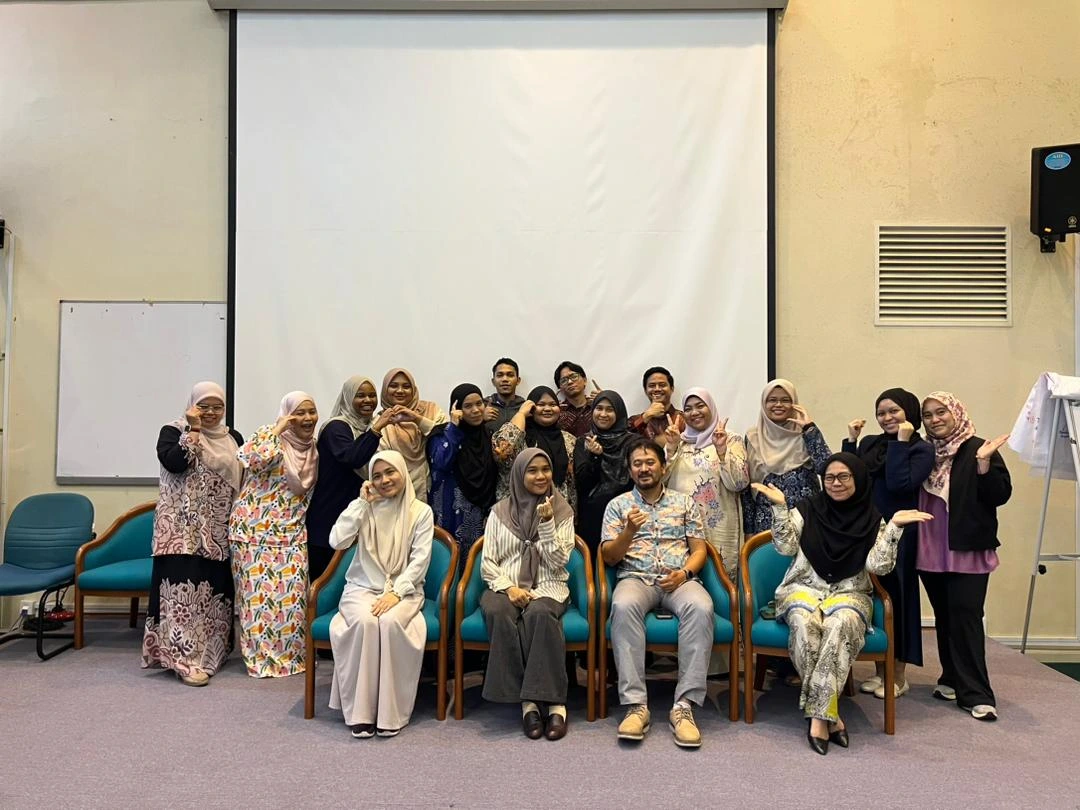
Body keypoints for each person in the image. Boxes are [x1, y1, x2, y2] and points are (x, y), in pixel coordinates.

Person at [751, 453, 932, 755]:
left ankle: (818, 717)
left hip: (850, 593)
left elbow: (878, 567)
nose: (836, 483)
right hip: (803, 589)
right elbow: (785, 547)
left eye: (844, 476)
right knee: (804, 624)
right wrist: (780, 507)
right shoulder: (807, 510)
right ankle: (829, 716)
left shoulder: (873, 518)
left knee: (840, 625)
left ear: (857, 478)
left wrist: (894, 528)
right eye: (830, 477)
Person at [602, 438, 713, 748]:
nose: (644, 468)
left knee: (702, 607)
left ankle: (684, 707)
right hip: (635, 578)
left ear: (663, 467)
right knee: (623, 606)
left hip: (678, 579)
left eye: (650, 462)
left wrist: (685, 574)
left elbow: (699, 549)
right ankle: (636, 706)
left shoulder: (684, 502)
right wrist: (628, 531)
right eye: (637, 464)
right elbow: (609, 557)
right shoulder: (618, 506)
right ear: (630, 470)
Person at [142, 382, 244, 687]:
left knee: (214, 592)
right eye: (203, 406)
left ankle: (212, 653)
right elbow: (175, 463)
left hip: (218, 529)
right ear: (191, 406)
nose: (211, 412)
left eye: (217, 407)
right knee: (182, 597)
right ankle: (183, 660)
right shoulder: (173, 431)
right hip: (181, 531)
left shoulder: (234, 438)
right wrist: (194, 429)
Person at [328, 451, 434, 738]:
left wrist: (396, 593)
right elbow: (337, 540)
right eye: (377, 476)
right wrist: (361, 504)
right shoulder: (364, 507)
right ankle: (361, 714)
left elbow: (420, 561)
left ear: (403, 472)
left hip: (405, 590)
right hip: (361, 588)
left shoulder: (421, 511)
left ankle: (391, 713)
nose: (384, 480)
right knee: (364, 622)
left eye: (390, 472)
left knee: (389, 622)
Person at [918, 392, 1011, 721]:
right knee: (945, 616)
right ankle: (951, 679)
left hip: (967, 548)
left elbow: (1000, 495)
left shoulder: (978, 448)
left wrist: (984, 465)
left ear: (956, 412)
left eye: (941, 412)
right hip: (931, 548)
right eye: (928, 415)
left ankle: (977, 694)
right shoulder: (925, 453)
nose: (935, 420)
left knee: (966, 616)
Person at [479, 448, 577, 741]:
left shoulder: (562, 510)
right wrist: (509, 588)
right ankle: (526, 702)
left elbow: (559, 561)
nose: (540, 476)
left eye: (545, 470)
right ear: (519, 475)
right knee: (497, 611)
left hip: (548, 584)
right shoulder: (499, 512)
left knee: (540, 613)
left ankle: (555, 704)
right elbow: (488, 563)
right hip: (505, 584)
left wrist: (546, 524)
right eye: (532, 471)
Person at [843, 387, 933, 699]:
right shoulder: (871, 444)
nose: (886, 417)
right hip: (868, 530)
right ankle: (880, 672)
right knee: (875, 599)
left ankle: (898, 676)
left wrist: (901, 443)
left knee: (899, 600)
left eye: (894, 411)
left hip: (901, 533)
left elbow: (898, 484)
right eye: (881, 413)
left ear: (909, 412)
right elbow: (853, 479)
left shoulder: (921, 449)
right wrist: (851, 442)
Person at [229, 391, 319, 678]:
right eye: (299, 412)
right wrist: (277, 428)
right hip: (253, 534)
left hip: (291, 533)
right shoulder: (269, 437)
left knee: (293, 601)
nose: (307, 418)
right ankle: (261, 661)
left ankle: (293, 658)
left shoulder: (313, 449)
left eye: (311, 412)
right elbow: (250, 459)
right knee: (257, 603)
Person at [662, 387, 748, 576]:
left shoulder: (730, 439)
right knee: (684, 579)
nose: (694, 412)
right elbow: (660, 482)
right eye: (688, 409)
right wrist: (671, 447)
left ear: (711, 407)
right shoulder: (678, 441)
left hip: (719, 527)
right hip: (682, 525)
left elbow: (739, 484)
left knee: (720, 581)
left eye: (700, 406)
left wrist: (722, 451)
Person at [306, 375, 382, 582]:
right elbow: (353, 458)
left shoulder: (369, 427)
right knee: (324, 584)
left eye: (372, 395)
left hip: (356, 519)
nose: (368, 400)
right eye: (360, 395)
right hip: (328, 521)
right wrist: (375, 431)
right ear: (348, 398)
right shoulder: (336, 427)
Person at [742, 378, 833, 536]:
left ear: (794, 403)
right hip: (767, 522)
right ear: (764, 404)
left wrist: (810, 429)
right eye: (772, 400)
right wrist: (748, 530)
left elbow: (826, 468)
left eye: (785, 400)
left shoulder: (805, 433)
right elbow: (747, 488)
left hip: (807, 518)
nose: (778, 405)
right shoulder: (753, 437)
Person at [428, 383, 499, 568]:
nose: (475, 410)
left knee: (477, 564)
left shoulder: (487, 434)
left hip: (480, 513)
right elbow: (441, 462)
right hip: (450, 513)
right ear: (456, 408)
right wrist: (454, 428)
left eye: (479, 404)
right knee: (450, 564)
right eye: (468, 406)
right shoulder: (441, 433)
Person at [492, 385, 577, 513]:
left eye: (553, 404)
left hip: (557, 512)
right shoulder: (521, 436)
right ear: (531, 408)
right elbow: (501, 452)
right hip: (518, 512)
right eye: (541, 404)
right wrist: (521, 414)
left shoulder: (569, 440)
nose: (547, 409)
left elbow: (572, 484)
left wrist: (571, 514)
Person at [574, 390, 634, 553]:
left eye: (610, 409)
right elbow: (582, 484)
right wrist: (594, 457)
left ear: (619, 412)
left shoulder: (633, 442)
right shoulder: (584, 441)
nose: (603, 414)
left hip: (625, 513)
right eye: (599, 408)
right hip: (593, 516)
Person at [376, 368, 448, 502]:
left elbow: (446, 437)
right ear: (385, 390)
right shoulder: (380, 423)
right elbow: (382, 462)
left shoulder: (431, 410)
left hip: (436, 490)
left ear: (413, 389)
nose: (400, 391)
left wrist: (417, 419)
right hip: (399, 496)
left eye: (406, 386)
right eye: (393, 386)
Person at [629, 366, 685, 441]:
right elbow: (625, 440)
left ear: (672, 389)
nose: (657, 389)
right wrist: (646, 416)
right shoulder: (634, 420)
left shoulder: (684, 418)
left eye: (662, 385)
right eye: (652, 386)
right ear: (645, 390)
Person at [554, 360, 595, 438]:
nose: (570, 382)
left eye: (574, 376)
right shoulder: (557, 412)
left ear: (585, 380)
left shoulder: (597, 408)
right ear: (560, 388)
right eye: (564, 380)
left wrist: (605, 399)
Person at [483, 358, 525, 432]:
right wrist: (481, 419)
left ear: (518, 381)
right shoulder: (483, 405)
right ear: (493, 381)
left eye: (510, 375)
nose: (505, 379)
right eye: (500, 375)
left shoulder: (525, 407)